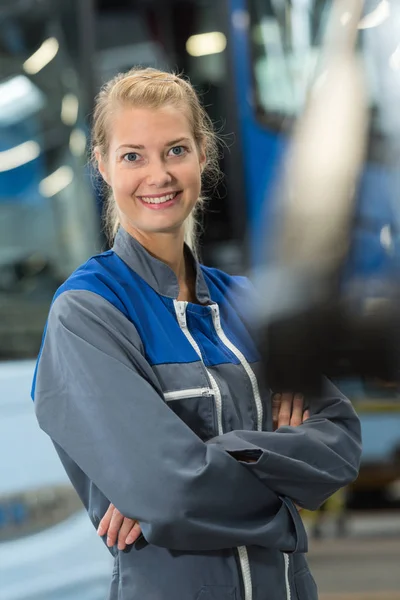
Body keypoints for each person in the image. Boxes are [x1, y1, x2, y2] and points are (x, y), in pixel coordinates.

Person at [32, 67, 362, 600]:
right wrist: (283, 490)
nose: (157, 174)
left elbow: (340, 442)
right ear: (102, 164)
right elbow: (169, 494)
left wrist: (202, 465)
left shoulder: (249, 304)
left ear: (202, 155)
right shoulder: (88, 313)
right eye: (133, 155)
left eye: (176, 150)